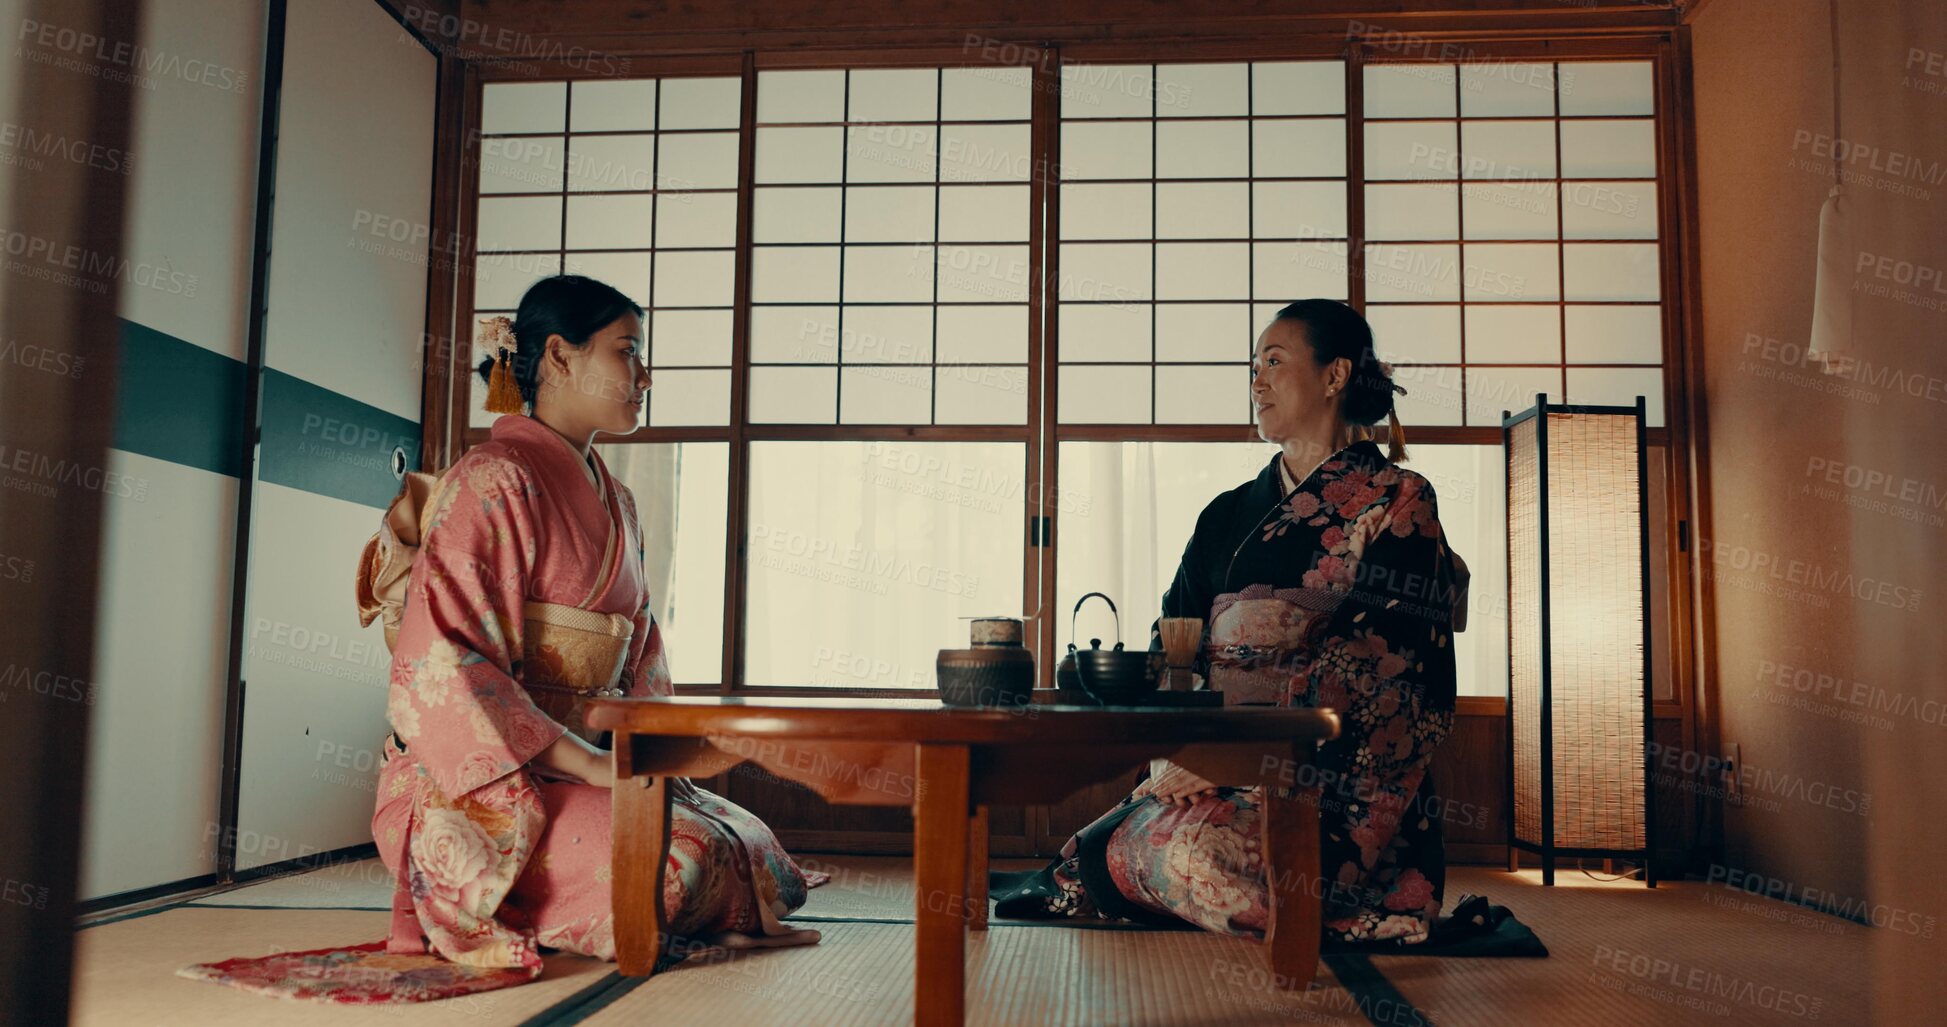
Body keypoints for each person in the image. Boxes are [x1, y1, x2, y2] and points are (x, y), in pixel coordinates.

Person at [371, 274, 819, 974]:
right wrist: (586, 763)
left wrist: (642, 762)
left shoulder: (622, 500)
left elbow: (640, 653)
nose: (644, 374)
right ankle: (502, 893)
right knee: (685, 859)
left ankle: (643, 892)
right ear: (558, 355)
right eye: (627, 350)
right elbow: (449, 662)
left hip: (589, 763)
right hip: (492, 778)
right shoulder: (491, 478)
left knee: (751, 842)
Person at [1000, 299, 1462, 945]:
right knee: (1114, 845)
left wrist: (1244, 757)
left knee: (1186, 855)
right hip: (1210, 764)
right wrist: (1188, 751)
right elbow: (1175, 638)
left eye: (1274, 360)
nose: (1256, 380)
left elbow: (1390, 664)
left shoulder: (1397, 498)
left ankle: (1311, 891)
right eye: (1253, 365)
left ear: (1334, 376)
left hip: (1324, 779)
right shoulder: (1225, 512)